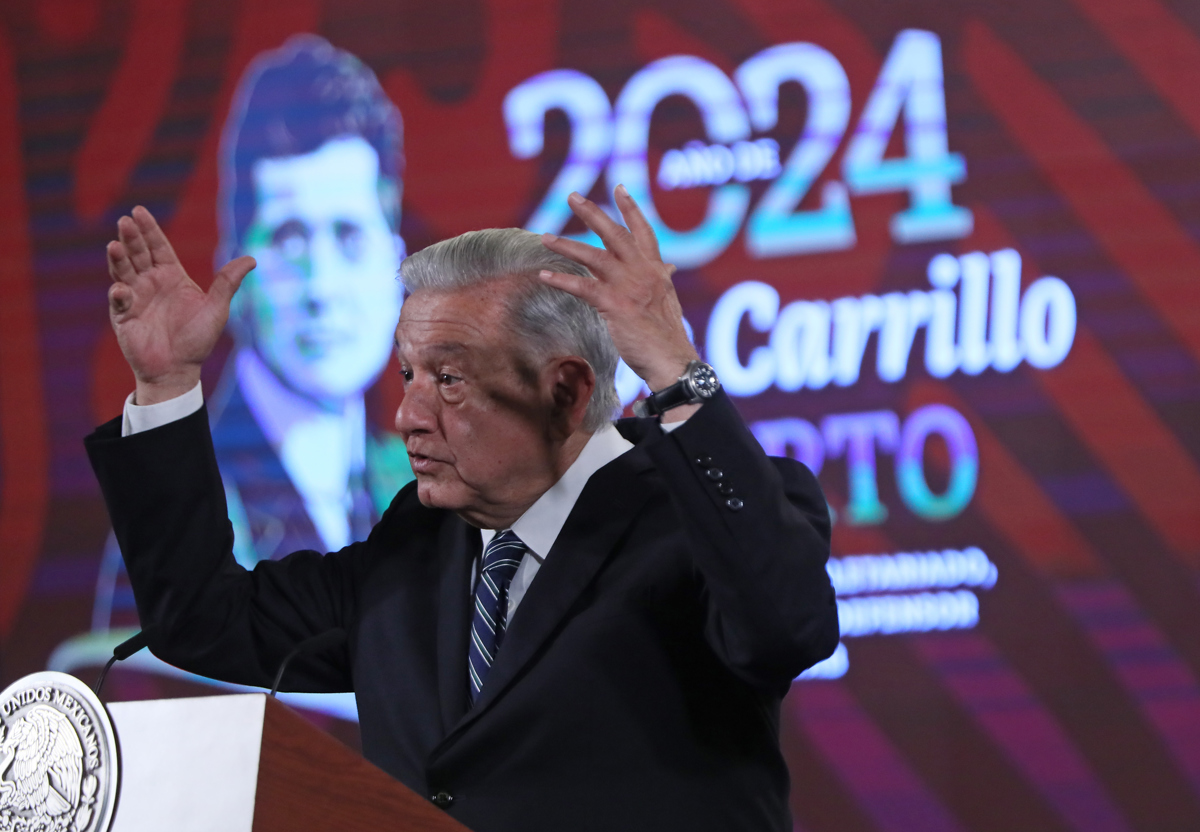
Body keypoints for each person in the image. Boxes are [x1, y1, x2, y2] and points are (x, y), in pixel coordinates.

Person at [87, 186, 838, 831]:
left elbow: (785, 627)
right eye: (408, 372)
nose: (408, 414)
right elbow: (203, 623)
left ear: (567, 391)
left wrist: (674, 372)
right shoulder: (415, 541)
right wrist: (166, 386)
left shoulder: (696, 517)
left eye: (448, 378)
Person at [87, 36, 411, 642]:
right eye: (289, 238)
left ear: (396, 263)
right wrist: (163, 388)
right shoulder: (185, 513)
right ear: (230, 263)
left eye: (348, 236)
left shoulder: (423, 487)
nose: (321, 288)